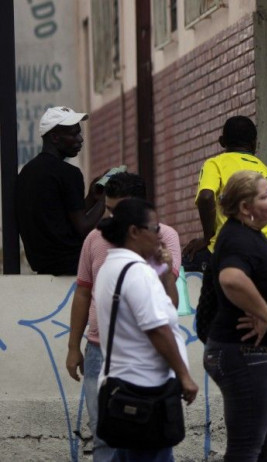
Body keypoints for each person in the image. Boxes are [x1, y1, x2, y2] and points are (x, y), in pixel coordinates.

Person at [65, 172, 182, 461]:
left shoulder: (162, 237)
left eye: (120, 210)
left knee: (150, 436)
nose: (112, 218)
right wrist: (72, 347)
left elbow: (171, 303)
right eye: (109, 210)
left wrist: (164, 269)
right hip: (98, 349)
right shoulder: (95, 238)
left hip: (145, 355)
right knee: (105, 435)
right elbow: (82, 293)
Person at [202, 170, 267, 461]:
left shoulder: (254, 237)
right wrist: (265, 314)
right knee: (246, 450)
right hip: (247, 353)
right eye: (263, 196)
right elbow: (231, 279)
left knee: (263, 451)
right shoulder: (236, 238)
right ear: (245, 207)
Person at [95, 198, 198, 461]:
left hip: (123, 388)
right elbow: (158, 330)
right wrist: (184, 375)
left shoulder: (112, 267)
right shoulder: (137, 273)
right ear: (134, 231)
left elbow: (167, 307)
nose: (159, 237)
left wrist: (162, 271)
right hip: (146, 394)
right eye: (154, 229)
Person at [182, 115, 267, 271]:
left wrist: (208, 238)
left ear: (222, 141)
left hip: (231, 252)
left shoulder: (215, 164)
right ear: (255, 143)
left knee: (183, 262)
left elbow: (206, 197)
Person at [17, 106, 105, 275]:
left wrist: (92, 198)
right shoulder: (68, 173)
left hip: (42, 265)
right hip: (71, 265)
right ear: (55, 137)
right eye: (73, 134)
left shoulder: (27, 171)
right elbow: (83, 227)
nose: (80, 139)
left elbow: (61, 218)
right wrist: (106, 199)